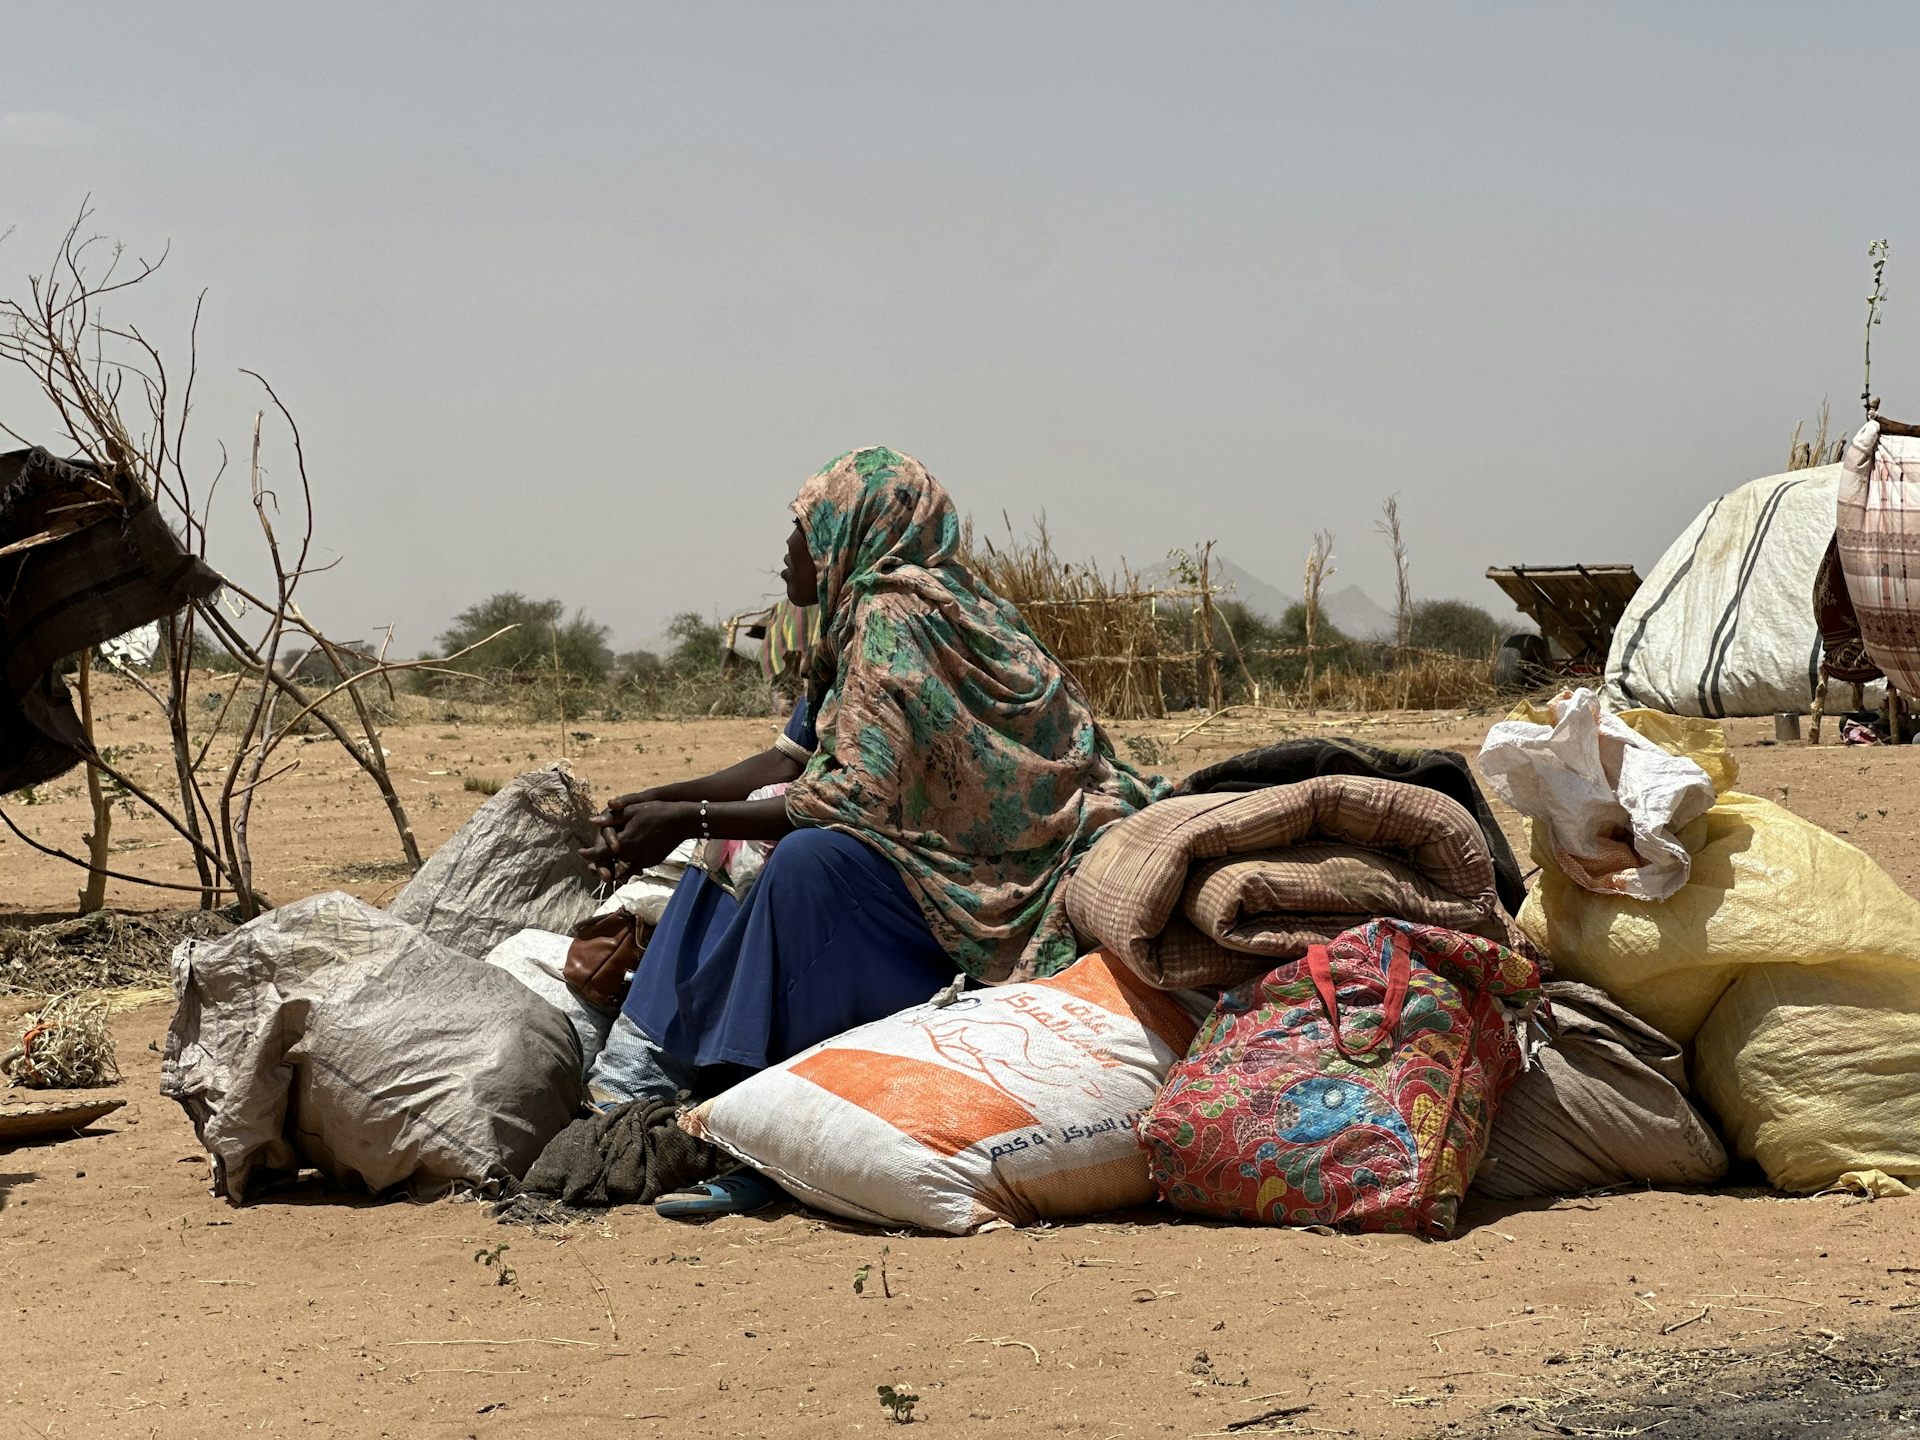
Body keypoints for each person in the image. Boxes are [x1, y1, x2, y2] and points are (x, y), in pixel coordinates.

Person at [579, 448, 1163, 1194]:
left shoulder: (898, 618)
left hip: (978, 893)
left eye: (804, 527)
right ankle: (641, 1071)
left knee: (800, 861)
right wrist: (657, 805)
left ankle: (745, 1102)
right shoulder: (854, 623)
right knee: (733, 838)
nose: (789, 547)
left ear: (848, 531)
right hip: (917, 869)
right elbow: (789, 760)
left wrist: (686, 818)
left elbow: (855, 794)